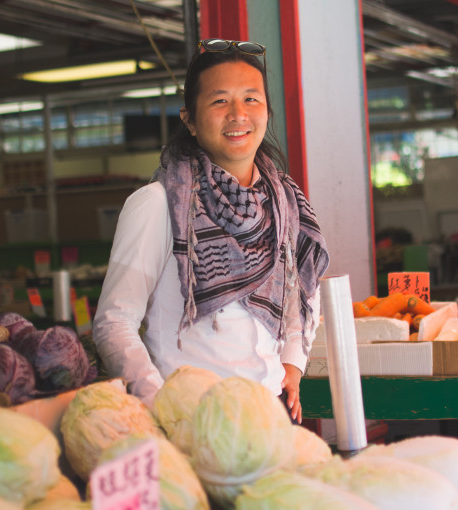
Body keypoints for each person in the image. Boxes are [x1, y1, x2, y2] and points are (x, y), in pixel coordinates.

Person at [92, 39, 329, 423]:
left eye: (251, 99)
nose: (238, 114)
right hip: (191, 420)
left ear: (268, 111)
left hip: (268, 416)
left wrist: (293, 363)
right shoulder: (158, 203)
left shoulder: (284, 202)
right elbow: (113, 323)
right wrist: (157, 404)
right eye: (220, 101)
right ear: (189, 118)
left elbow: (301, 289)